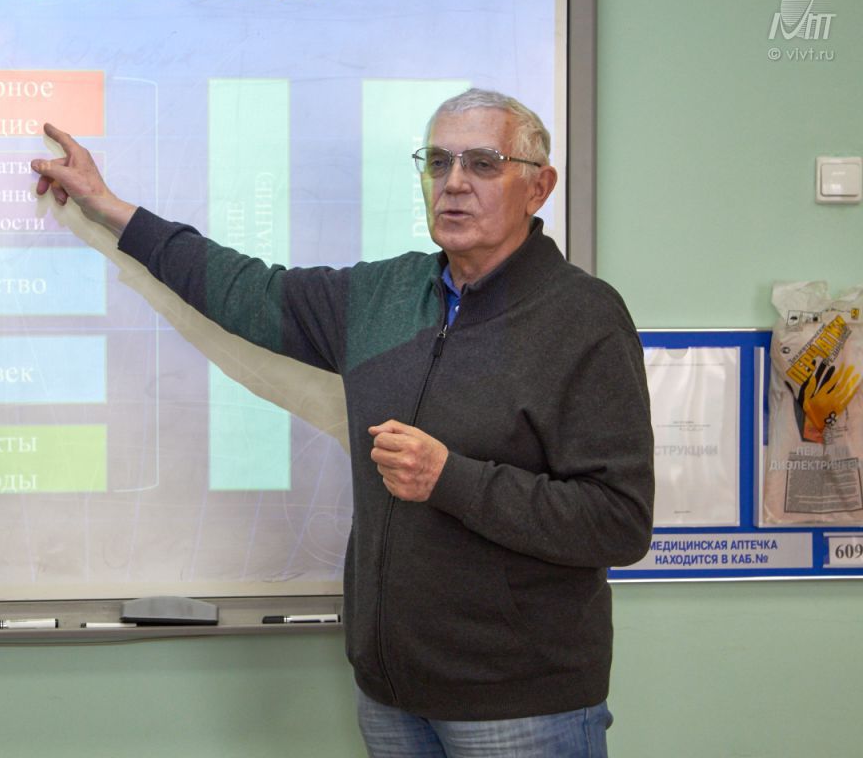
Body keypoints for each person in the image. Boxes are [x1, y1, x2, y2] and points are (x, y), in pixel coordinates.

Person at [32, 88, 654, 757]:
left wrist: (451, 479)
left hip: (522, 706)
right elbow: (245, 288)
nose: (453, 183)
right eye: (437, 162)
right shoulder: (381, 297)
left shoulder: (582, 318)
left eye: (482, 163)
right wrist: (109, 207)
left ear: (539, 186)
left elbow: (618, 521)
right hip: (392, 699)